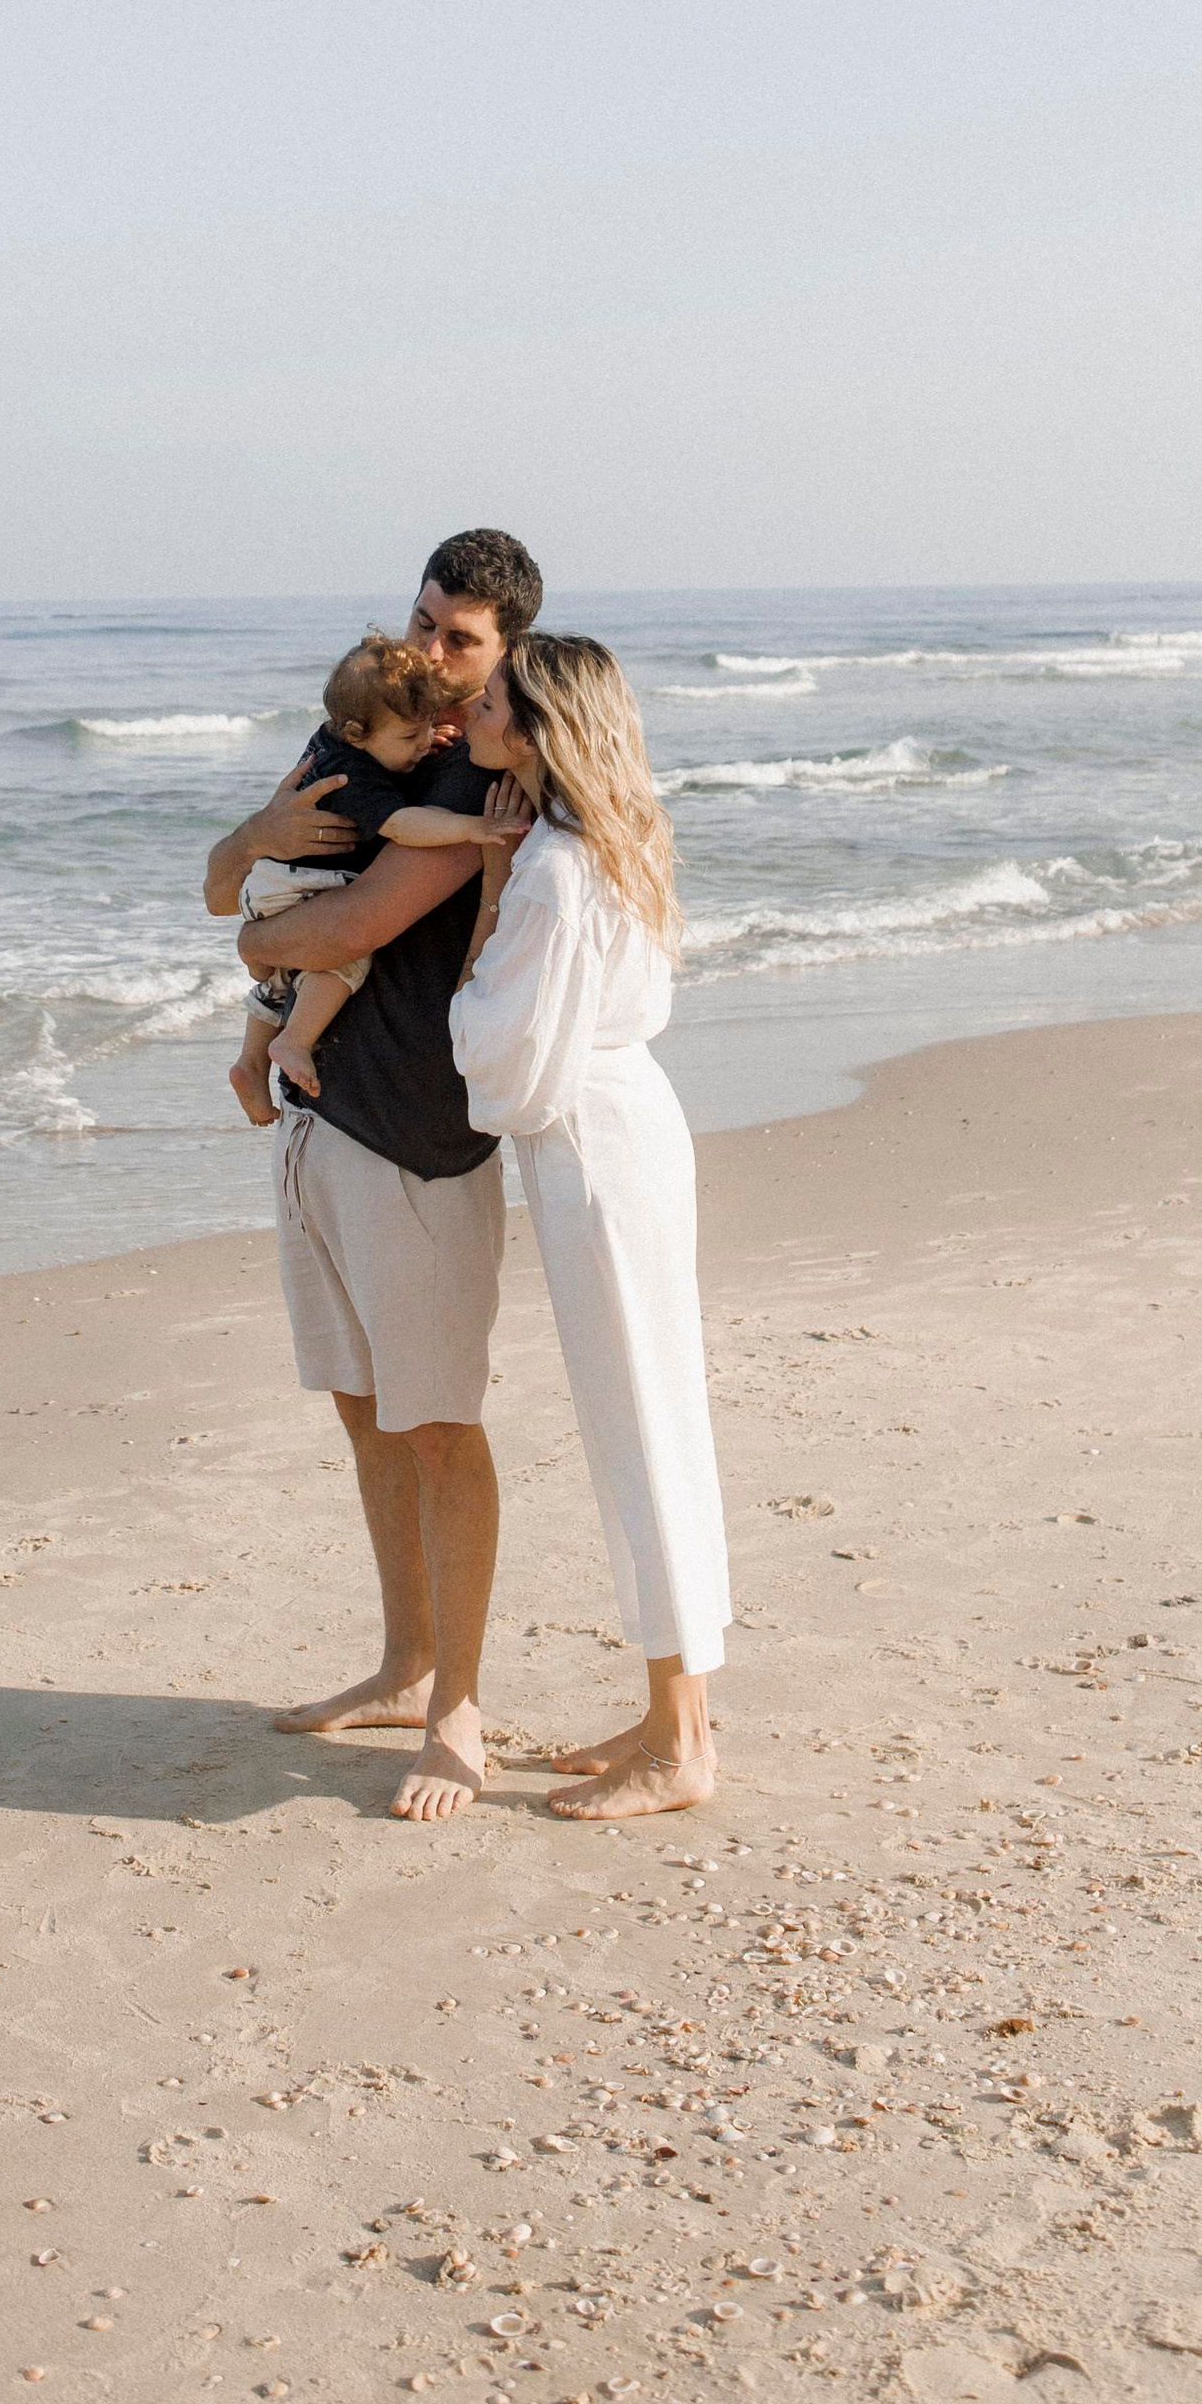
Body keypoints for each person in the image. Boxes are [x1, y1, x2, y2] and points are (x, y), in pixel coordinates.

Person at [206, 527, 544, 1824]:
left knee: (440, 1426)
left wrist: (258, 928)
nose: (432, 651)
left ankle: (458, 1710)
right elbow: (223, 872)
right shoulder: (357, 725)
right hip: (315, 1119)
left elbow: (338, 922)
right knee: (360, 1407)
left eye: (462, 638)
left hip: (420, 1134)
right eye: (424, 621)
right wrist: (251, 850)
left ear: (505, 654)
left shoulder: (478, 768)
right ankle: (405, 1663)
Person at [451, 630, 731, 1820]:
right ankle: (674, 1714)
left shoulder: (554, 869)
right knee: (657, 1414)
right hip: (628, 1126)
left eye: (493, 701)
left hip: (592, 1151)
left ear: (538, 726)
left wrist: (471, 947)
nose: (470, 712)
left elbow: (504, 1056)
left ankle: (681, 1749)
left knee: (639, 1427)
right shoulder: (617, 833)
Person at [228, 631, 527, 1126]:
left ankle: (250, 1064)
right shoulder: (351, 775)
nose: (426, 742)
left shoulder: (341, 743)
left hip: (272, 883)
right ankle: (295, 1042)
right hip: (299, 882)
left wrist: (419, 744)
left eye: (429, 728)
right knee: (344, 961)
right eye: (411, 737)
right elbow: (403, 825)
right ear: (355, 732)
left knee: (284, 982)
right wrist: (475, 827)